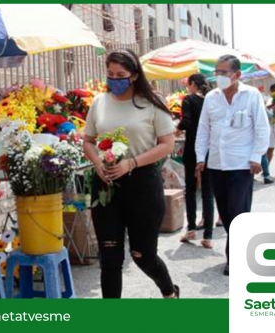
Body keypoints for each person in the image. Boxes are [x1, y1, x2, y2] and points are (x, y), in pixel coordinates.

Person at [84, 49, 179, 298]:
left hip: (142, 185)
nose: (114, 80)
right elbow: (88, 141)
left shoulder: (152, 103)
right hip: (106, 187)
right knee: (110, 257)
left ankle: (169, 292)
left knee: (143, 255)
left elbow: (167, 144)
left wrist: (132, 163)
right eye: (110, 74)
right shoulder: (99, 103)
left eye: (121, 75)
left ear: (134, 75)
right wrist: (97, 164)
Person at [195, 55, 270, 276]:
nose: (219, 76)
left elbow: (262, 128)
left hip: (242, 164)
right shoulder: (211, 98)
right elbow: (203, 129)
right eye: (216, 72)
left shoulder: (251, 96)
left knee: (238, 212)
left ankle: (234, 259)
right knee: (226, 214)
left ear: (237, 75)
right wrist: (201, 157)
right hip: (217, 164)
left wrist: (257, 156)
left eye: (224, 73)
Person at [176, 74, 215, 249]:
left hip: (192, 149)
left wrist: (177, 127)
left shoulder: (189, 100)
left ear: (192, 84)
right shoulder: (212, 99)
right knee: (207, 191)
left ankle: (191, 228)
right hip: (210, 149)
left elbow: (186, 121)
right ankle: (208, 235)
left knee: (190, 189)